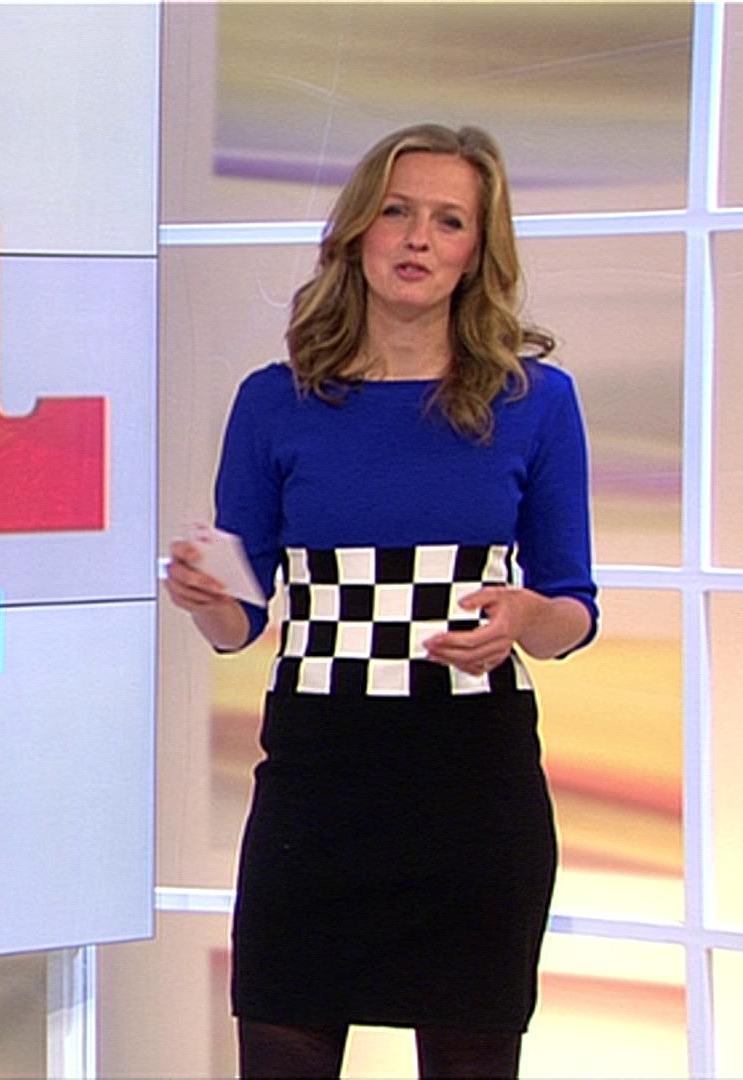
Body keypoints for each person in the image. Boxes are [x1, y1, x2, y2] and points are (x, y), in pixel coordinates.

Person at [163, 123, 598, 1079]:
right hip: (318, 779)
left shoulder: (536, 401)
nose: (417, 239)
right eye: (397, 212)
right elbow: (241, 623)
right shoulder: (274, 402)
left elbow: (573, 611)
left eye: (449, 221)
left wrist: (523, 618)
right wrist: (203, 595)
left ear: (477, 250)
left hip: (472, 784)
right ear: (358, 229)